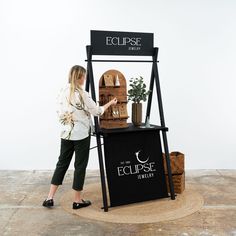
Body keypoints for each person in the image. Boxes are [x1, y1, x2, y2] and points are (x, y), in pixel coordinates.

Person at [42, 65, 117, 209]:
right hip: (81, 134)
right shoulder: (83, 94)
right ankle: (77, 200)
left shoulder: (62, 91)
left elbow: (59, 111)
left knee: (61, 164)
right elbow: (97, 111)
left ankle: (49, 198)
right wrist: (110, 103)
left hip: (66, 133)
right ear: (80, 77)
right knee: (80, 166)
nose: (85, 78)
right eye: (84, 76)